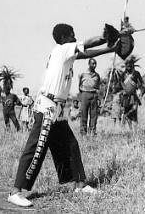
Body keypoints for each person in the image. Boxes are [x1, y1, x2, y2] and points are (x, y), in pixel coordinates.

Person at [8, 23, 119, 207]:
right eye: (72, 35)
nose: (75, 37)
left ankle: (79, 184)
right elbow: (88, 44)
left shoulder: (67, 54)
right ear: (63, 38)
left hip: (57, 108)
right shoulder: (61, 49)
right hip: (47, 107)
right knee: (36, 148)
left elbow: (87, 53)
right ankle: (15, 191)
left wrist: (111, 48)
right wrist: (105, 36)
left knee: (70, 144)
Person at [79, 58, 101, 135]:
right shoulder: (83, 74)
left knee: (94, 115)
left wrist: (97, 97)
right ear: (89, 64)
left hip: (94, 95)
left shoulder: (97, 75)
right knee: (84, 114)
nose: (94, 65)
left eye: (95, 64)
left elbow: (98, 86)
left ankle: (92, 132)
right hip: (85, 94)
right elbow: (79, 86)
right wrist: (82, 95)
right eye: (93, 63)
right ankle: (83, 132)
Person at [120, 59, 143, 130]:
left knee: (134, 110)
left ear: (133, 65)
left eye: (130, 65)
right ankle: (130, 129)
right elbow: (120, 83)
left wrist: (139, 89)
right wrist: (124, 89)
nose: (129, 66)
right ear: (126, 66)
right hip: (125, 96)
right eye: (127, 65)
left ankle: (135, 128)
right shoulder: (123, 74)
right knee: (126, 110)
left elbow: (141, 83)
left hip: (134, 95)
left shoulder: (136, 73)